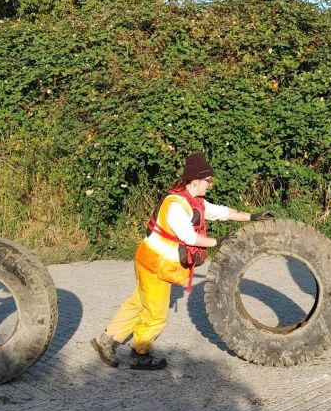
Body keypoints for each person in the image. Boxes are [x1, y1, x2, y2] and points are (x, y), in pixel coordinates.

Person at [91, 152, 273, 370]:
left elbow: (222, 212)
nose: (211, 184)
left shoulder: (193, 200)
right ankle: (140, 355)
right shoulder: (176, 205)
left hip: (149, 259)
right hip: (155, 265)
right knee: (156, 314)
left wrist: (252, 217)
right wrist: (218, 241)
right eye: (209, 180)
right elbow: (189, 237)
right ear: (195, 181)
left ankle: (106, 341)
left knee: (139, 303)